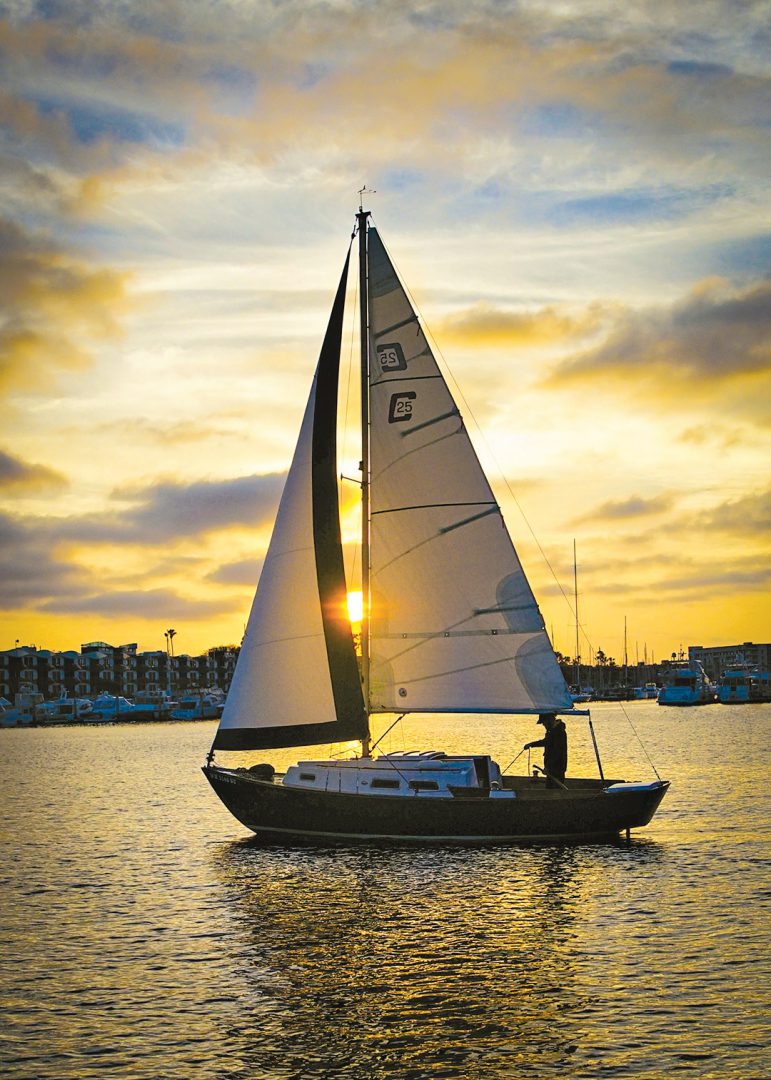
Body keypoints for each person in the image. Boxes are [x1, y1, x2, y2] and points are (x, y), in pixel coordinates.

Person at [524, 712, 567, 787]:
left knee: (554, 790)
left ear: (549, 720)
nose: (543, 725)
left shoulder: (559, 732)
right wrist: (531, 744)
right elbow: (546, 742)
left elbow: (557, 752)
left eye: (544, 722)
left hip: (557, 768)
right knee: (550, 788)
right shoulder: (552, 731)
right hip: (551, 768)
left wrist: (549, 767)